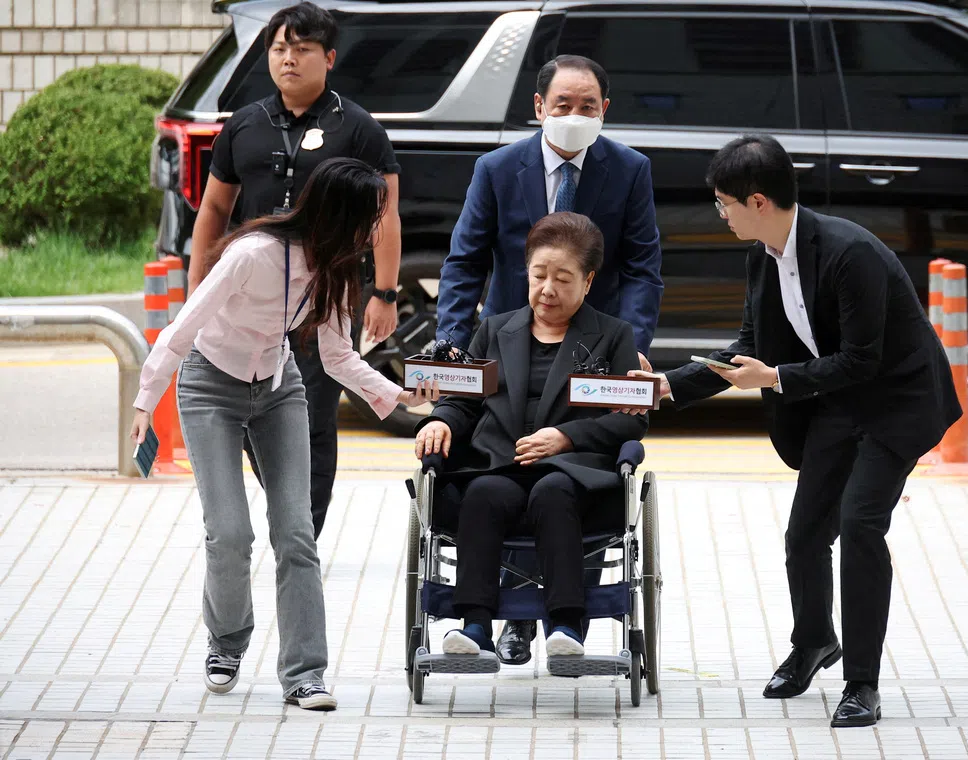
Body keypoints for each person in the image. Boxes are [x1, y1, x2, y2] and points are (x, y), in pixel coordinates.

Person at [634, 136, 961, 728]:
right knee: (804, 533)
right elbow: (749, 348)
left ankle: (862, 682)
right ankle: (814, 642)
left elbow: (863, 359)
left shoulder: (848, 253)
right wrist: (670, 385)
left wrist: (778, 377)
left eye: (723, 204)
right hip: (835, 401)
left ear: (757, 200)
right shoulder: (763, 254)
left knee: (861, 525)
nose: (721, 214)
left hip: (894, 402)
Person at [129, 158, 438, 710]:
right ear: (341, 215)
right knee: (230, 534)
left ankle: (305, 673)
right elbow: (185, 326)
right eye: (371, 219)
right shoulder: (252, 255)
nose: (376, 231)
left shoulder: (337, 268)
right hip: (210, 387)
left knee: (296, 533)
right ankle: (226, 642)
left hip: (278, 388)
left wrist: (399, 397)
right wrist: (144, 402)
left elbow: (339, 357)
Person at [434, 54, 664, 663]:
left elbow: (642, 265)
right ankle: (501, 618)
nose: (574, 115)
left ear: (604, 110)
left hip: (591, 347)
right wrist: (455, 345)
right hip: (510, 338)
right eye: (562, 105)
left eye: (588, 106)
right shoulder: (496, 168)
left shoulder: (629, 169)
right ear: (538, 108)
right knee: (497, 474)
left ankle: (562, 620)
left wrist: (631, 347)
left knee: (557, 485)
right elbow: (466, 261)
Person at [188, 1, 403, 540]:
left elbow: (385, 213)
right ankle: (287, 502)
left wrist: (384, 291)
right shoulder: (245, 124)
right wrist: (197, 289)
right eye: (279, 48)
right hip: (247, 296)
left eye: (303, 49)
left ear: (328, 58)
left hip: (324, 293)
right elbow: (213, 210)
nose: (289, 59)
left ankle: (303, 530)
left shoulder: (357, 128)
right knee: (244, 408)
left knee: (312, 411)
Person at [415, 212, 649, 664]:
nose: (547, 289)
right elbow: (464, 400)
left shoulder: (613, 336)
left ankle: (565, 627)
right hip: (500, 462)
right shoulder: (495, 330)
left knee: (552, 492)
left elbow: (630, 420)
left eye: (563, 279)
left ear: (588, 280)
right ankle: (476, 627)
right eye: (539, 275)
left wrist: (565, 437)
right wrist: (441, 418)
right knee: (482, 492)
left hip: (573, 471)